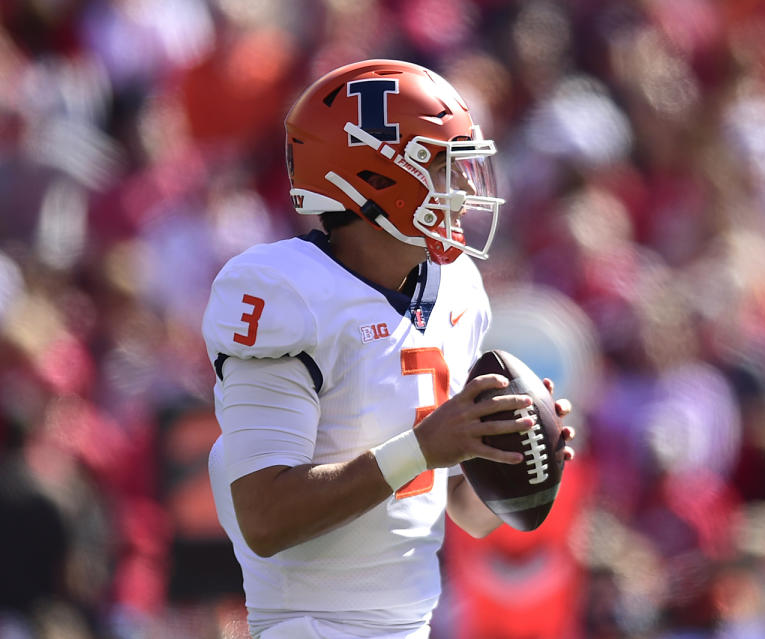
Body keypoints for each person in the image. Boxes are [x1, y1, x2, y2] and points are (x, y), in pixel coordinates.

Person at [201, 59, 574, 639]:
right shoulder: (283, 291)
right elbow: (265, 516)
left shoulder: (457, 290)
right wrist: (427, 446)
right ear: (379, 177)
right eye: (445, 168)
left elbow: (454, 510)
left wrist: (512, 457)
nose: (466, 190)